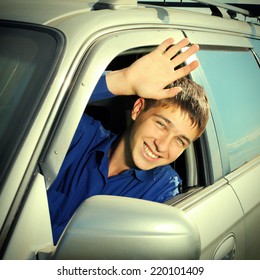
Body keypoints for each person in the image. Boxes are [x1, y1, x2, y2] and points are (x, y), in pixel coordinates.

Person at [47, 38, 209, 244]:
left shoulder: (162, 190)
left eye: (180, 140)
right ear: (138, 109)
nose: (162, 145)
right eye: (161, 124)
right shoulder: (82, 136)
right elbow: (36, 101)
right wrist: (124, 80)